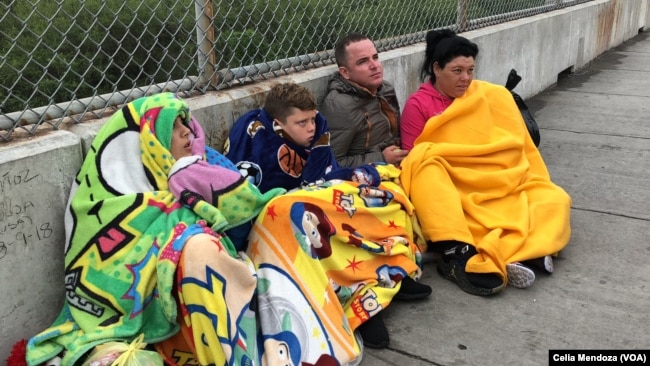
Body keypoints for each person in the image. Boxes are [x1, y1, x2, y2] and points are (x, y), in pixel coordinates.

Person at [24, 92, 367, 366]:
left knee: (285, 214)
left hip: (225, 282)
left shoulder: (202, 165)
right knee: (200, 247)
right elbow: (97, 264)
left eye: (188, 125)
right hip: (148, 307)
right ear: (146, 141)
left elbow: (244, 204)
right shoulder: (103, 200)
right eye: (174, 127)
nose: (188, 132)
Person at [224, 82, 432, 350]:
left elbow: (324, 173)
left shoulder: (318, 127)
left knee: (383, 196)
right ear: (278, 124)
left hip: (316, 193)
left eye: (312, 118)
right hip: (280, 213)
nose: (311, 127)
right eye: (301, 122)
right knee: (307, 220)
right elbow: (251, 195)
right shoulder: (257, 139)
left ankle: (383, 272)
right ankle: (356, 298)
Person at [399, 29, 571, 296]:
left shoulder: (488, 94)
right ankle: (465, 253)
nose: (466, 78)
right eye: (457, 71)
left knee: (553, 199)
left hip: (494, 179)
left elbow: (512, 142)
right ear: (436, 68)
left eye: (470, 70)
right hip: (452, 185)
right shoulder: (418, 104)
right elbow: (414, 157)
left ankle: (519, 254)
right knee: (426, 167)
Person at [319, 32, 408, 168]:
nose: (374, 65)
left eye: (375, 57)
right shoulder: (339, 106)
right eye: (363, 61)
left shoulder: (385, 89)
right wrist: (382, 158)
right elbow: (330, 163)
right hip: (369, 178)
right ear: (345, 73)